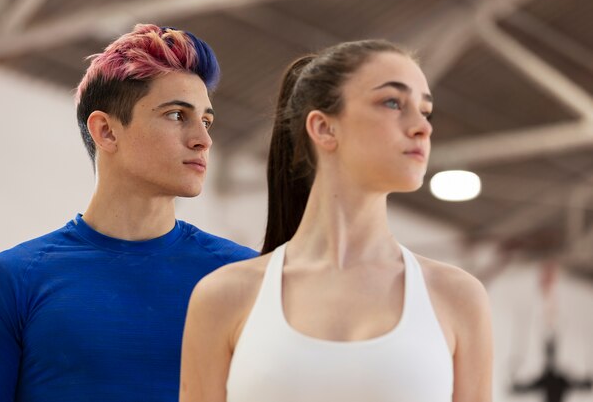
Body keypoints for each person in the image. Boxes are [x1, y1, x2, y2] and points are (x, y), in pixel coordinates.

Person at [180, 40, 493, 402]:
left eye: (425, 111)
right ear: (324, 128)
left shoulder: (457, 297)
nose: (422, 127)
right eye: (393, 102)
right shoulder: (223, 296)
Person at [0, 24, 257, 402]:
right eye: (176, 115)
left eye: (205, 120)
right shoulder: (8, 282)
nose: (203, 139)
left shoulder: (245, 279)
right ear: (105, 131)